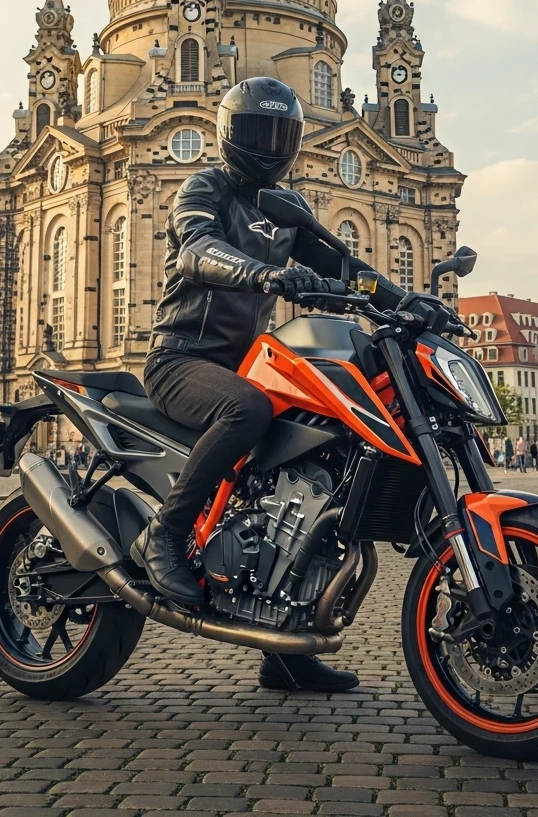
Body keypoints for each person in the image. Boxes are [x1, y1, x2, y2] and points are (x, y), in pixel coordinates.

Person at [132, 77, 406, 693]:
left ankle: (286, 647)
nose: (270, 145)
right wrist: (262, 274)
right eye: (260, 132)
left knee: (322, 462)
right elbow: (195, 250)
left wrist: (405, 300)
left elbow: (346, 266)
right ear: (232, 135)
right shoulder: (203, 187)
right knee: (249, 409)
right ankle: (165, 534)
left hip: (248, 364)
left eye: (281, 134)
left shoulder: (285, 207)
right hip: (181, 360)